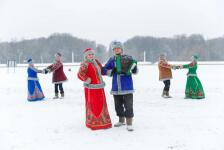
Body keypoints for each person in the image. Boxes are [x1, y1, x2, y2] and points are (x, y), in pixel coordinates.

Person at [102, 41, 138, 131]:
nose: (116, 50)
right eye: (114, 49)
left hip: (127, 86)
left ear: (122, 49)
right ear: (113, 50)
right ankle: (121, 120)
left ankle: (129, 123)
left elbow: (135, 70)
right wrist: (111, 71)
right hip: (116, 86)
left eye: (118, 48)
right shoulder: (111, 59)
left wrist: (134, 68)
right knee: (118, 105)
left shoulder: (129, 58)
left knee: (128, 105)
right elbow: (103, 70)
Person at [77, 48, 112, 130]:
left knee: (101, 104)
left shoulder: (96, 62)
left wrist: (108, 72)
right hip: (91, 89)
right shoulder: (85, 64)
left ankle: (104, 123)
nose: (91, 56)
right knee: (94, 105)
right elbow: (79, 74)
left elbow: (102, 70)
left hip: (100, 87)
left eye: (92, 54)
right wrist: (87, 79)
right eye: (89, 55)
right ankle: (93, 124)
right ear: (86, 56)